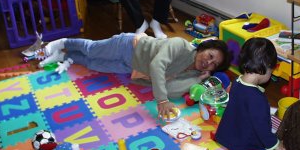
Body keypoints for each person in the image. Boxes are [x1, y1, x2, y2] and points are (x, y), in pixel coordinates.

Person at [38, 34, 232, 119]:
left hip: (131, 68)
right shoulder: (180, 45)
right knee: (92, 50)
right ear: (205, 48)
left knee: (92, 63)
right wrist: (161, 100)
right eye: (210, 56)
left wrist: (198, 79)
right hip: (129, 46)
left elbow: (173, 91)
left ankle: (64, 55)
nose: (208, 62)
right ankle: (62, 42)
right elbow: (157, 65)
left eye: (214, 64)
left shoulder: (193, 72)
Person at [215, 37, 284, 150]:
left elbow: (240, 106)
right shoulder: (257, 100)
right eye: (271, 71)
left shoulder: (237, 82)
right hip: (244, 146)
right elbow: (262, 129)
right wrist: (276, 144)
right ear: (265, 68)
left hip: (228, 135)